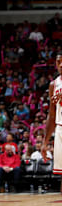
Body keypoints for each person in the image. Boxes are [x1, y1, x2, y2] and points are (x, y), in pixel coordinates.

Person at [42, 54, 62, 189]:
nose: (61, 65)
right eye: (59, 62)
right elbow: (52, 114)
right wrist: (45, 142)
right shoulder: (54, 84)